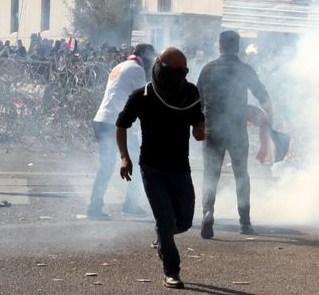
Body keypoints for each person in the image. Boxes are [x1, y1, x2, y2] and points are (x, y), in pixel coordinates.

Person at [116, 47, 205, 289]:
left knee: (184, 222)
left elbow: (198, 117)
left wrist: (199, 129)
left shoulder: (190, 92)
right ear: (161, 69)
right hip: (152, 168)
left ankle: (162, 238)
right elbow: (122, 124)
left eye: (183, 71)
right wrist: (124, 157)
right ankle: (172, 272)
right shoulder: (142, 96)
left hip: (181, 168)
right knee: (165, 222)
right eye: (175, 71)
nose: (180, 76)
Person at [197, 30, 273, 238]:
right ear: (237, 47)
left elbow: (197, 101)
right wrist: (269, 121)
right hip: (237, 130)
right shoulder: (245, 69)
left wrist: (198, 125)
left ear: (220, 46)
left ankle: (208, 212)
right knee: (241, 175)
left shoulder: (208, 69)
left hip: (212, 129)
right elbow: (263, 96)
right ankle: (245, 222)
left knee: (211, 174)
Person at [87, 43, 155, 220]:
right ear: (146, 56)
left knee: (109, 165)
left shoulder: (120, 66)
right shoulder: (137, 69)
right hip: (113, 123)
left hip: (103, 120)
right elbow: (144, 98)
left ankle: (127, 204)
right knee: (133, 162)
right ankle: (97, 207)